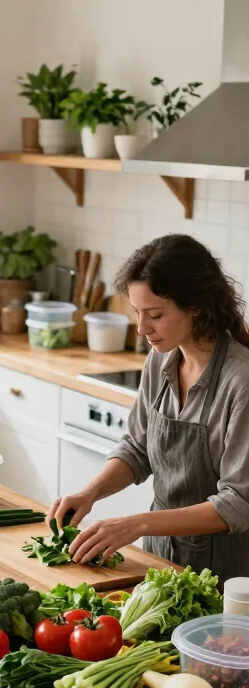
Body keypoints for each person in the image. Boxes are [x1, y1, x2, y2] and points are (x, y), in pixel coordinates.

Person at [49, 233, 249, 580]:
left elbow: (237, 504)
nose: (142, 329)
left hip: (227, 575)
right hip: (160, 560)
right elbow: (138, 448)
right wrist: (90, 493)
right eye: (138, 313)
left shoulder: (240, 382)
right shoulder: (161, 362)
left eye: (155, 314)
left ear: (196, 308)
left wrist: (137, 524)